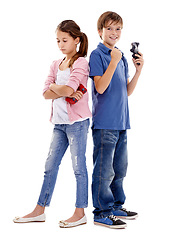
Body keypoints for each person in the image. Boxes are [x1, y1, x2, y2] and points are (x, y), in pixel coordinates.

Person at [13, 20, 92, 228]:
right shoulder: (55, 64)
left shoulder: (81, 62)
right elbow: (45, 93)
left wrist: (59, 88)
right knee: (50, 166)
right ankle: (40, 210)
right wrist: (62, 88)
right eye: (58, 40)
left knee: (78, 167)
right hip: (58, 123)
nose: (60, 44)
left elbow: (67, 90)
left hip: (77, 123)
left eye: (64, 40)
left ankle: (80, 212)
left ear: (76, 40)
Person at [89, 11, 144, 229]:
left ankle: (115, 206)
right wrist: (113, 60)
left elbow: (127, 91)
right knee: (104, 171)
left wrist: (138, 71)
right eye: (109, 28)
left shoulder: (120, 55)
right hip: (104, 123)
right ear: (100, 31)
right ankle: (101, 212)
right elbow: (100, 87)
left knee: (120, 169)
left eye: (118, 28)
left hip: (122, 122)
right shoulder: (98, 54)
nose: (114, 32)